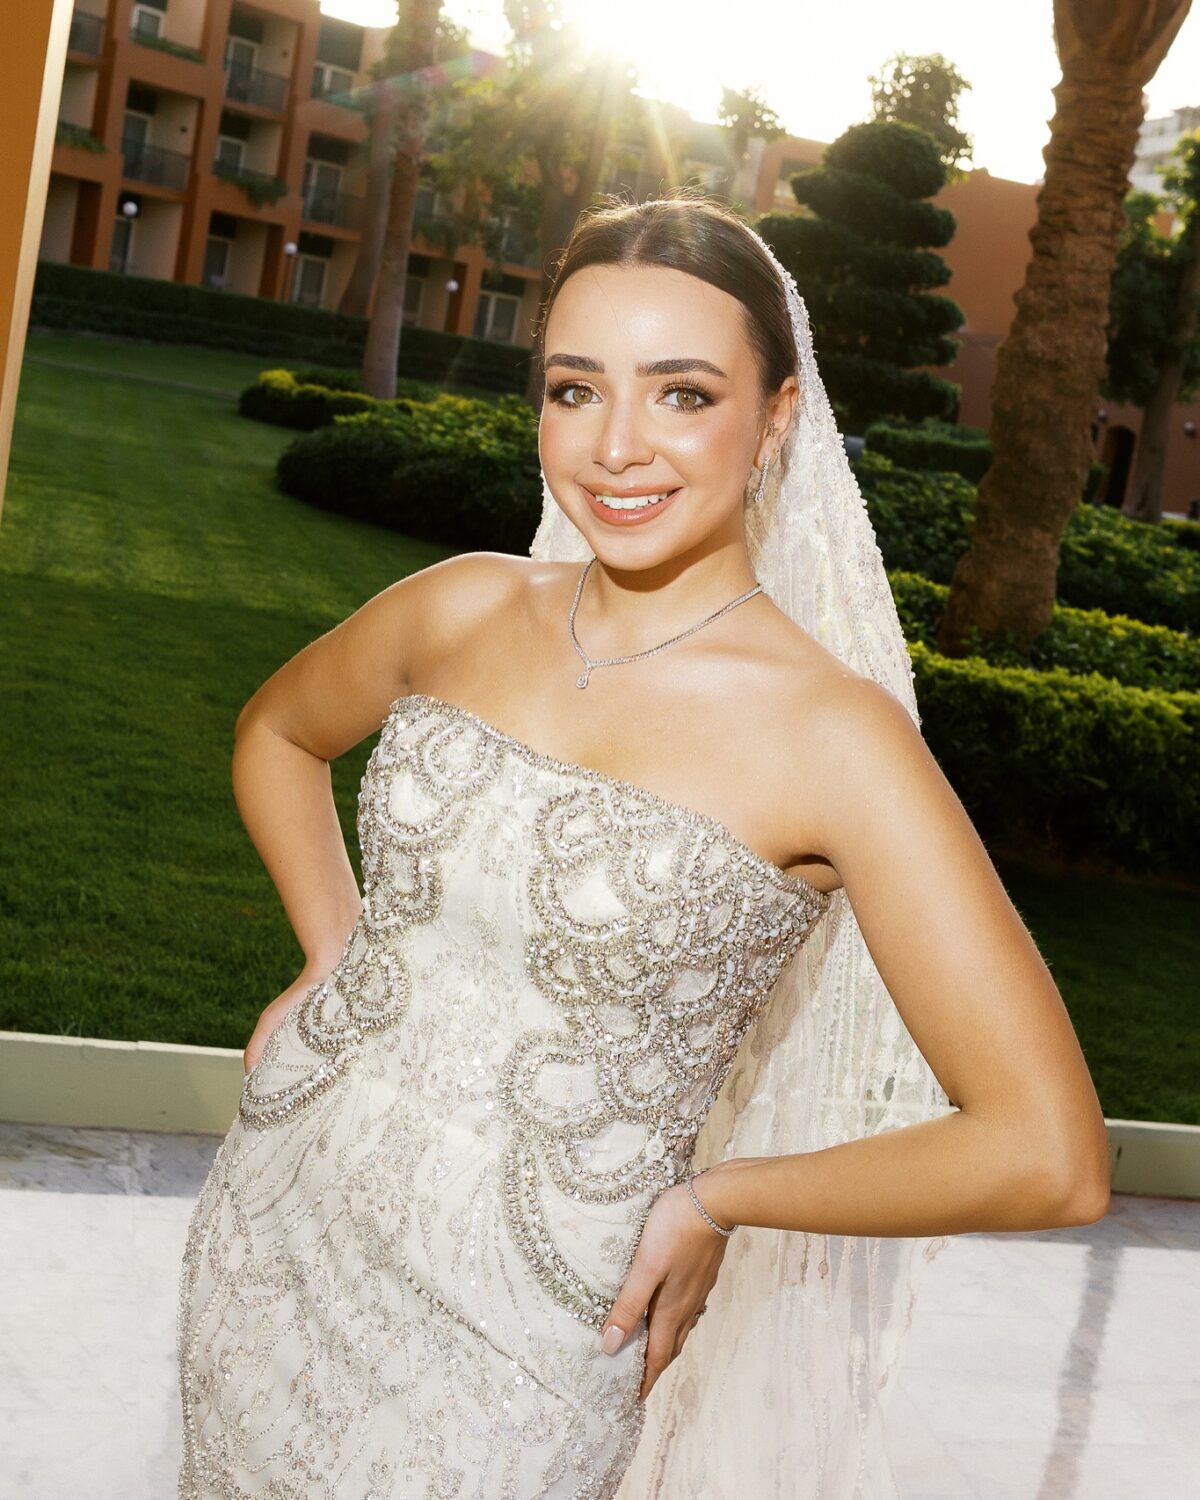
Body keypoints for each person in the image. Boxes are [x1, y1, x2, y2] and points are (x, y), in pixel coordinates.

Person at [177, 193, 1110, 1498]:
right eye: (576, 389)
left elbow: (1048, 1153)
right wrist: (335, 956)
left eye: (682, 393)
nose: (617, 447)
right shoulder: (461, 605)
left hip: (526, 1327)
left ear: (776, 419)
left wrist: (723, 1197)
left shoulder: (837, 741)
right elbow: (276, 734)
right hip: (284, 1216)